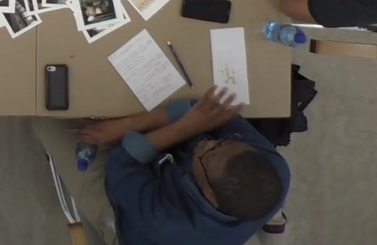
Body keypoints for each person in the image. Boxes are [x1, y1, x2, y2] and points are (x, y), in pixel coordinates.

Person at [33, 86, 289, 245]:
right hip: (170, 163)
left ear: (210, 195)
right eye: (221, 142)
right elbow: (208, 111)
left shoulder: (166, 224)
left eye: (208, 155)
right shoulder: (275, 169)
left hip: (129, 209)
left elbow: (121, 163)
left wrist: (187, 127)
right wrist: (127, 125)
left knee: (44, 111)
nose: (207, 144)